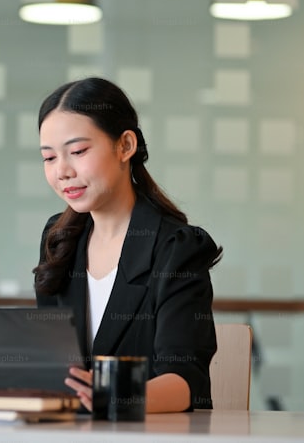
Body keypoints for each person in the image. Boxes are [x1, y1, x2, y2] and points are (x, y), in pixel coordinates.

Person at [34, 77, 222, 413]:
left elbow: (186, 382)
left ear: (125, 146)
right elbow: (50, 367)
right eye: (49, 158)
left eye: (77, 152)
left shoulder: (176, 248)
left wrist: (112, 394)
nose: (62, 171)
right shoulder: (59, 239)